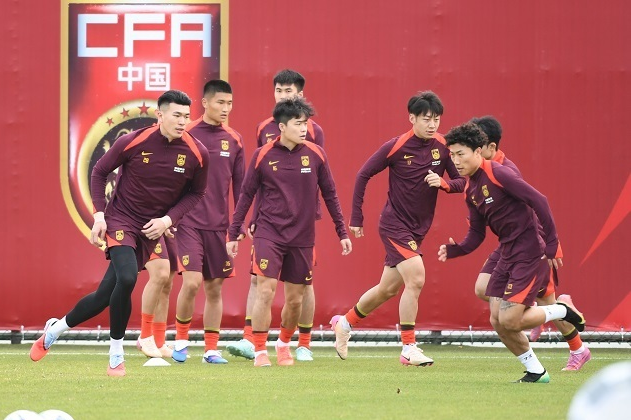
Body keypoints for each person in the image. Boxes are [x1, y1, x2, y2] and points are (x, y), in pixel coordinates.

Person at [29, 90, 209, 376]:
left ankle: (54, 329)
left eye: (186, 116)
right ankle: (116, 353)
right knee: (126, 278)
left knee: (104, 296)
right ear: (160, 115)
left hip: (151, 229)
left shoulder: (198, 152)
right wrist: (100, 216)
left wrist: (167, 220)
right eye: (176, 115)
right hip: (121, 219)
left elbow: (196, 193)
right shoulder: (133, 141)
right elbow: (99, 172)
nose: (182, 121)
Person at [438, 122, 585, 383]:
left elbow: (539, 200)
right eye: (452, 155)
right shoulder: (470, 191)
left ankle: (561, 310)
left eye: (461, 154)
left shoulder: (499, 172)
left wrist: (552, 243)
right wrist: (456, 250)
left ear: (478, 151)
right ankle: (536, 371)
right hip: (507, 252)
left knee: (511, 320)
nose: (456, 161)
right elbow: (477, 234)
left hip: (530, 252)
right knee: (497, 320)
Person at [330, 91, 464, 367]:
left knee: (387, 289)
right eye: (426, 119)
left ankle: (345, 324)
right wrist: (356, 217)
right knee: (416, 278)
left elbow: (461, 181)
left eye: (437, 119)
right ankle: (408, 347)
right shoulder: (397, 146)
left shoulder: (443, 146)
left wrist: (444, 184)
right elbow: (363, 174)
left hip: (418, 229)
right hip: (394, 224)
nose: (432, 124)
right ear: (412, 118)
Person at [226, 97, 351, 367]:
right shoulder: (262, 155)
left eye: (305, 123)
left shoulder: (316, 154)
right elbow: (246, 195)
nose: (304, 128)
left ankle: (283, 344)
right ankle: (260, 350)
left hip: (302, 237)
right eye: (298, 123)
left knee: (295, 300)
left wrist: (342, 231)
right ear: (282, 127)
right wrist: (234, 232)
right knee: (265, 290)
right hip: (269, 233)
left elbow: (330, 194)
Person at [170, 80, 245, 365]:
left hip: (219, 226)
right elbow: (172, 178)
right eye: (220, 102)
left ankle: (211, 350)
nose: (225, 108)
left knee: (214, 289)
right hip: (188, 223)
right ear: (205, 103)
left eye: (229, 103)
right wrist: (170, 216)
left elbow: (241, 188)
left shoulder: (234, 140)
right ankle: (180, 341)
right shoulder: (186, 133)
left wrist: (237, 227)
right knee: (191, 283)